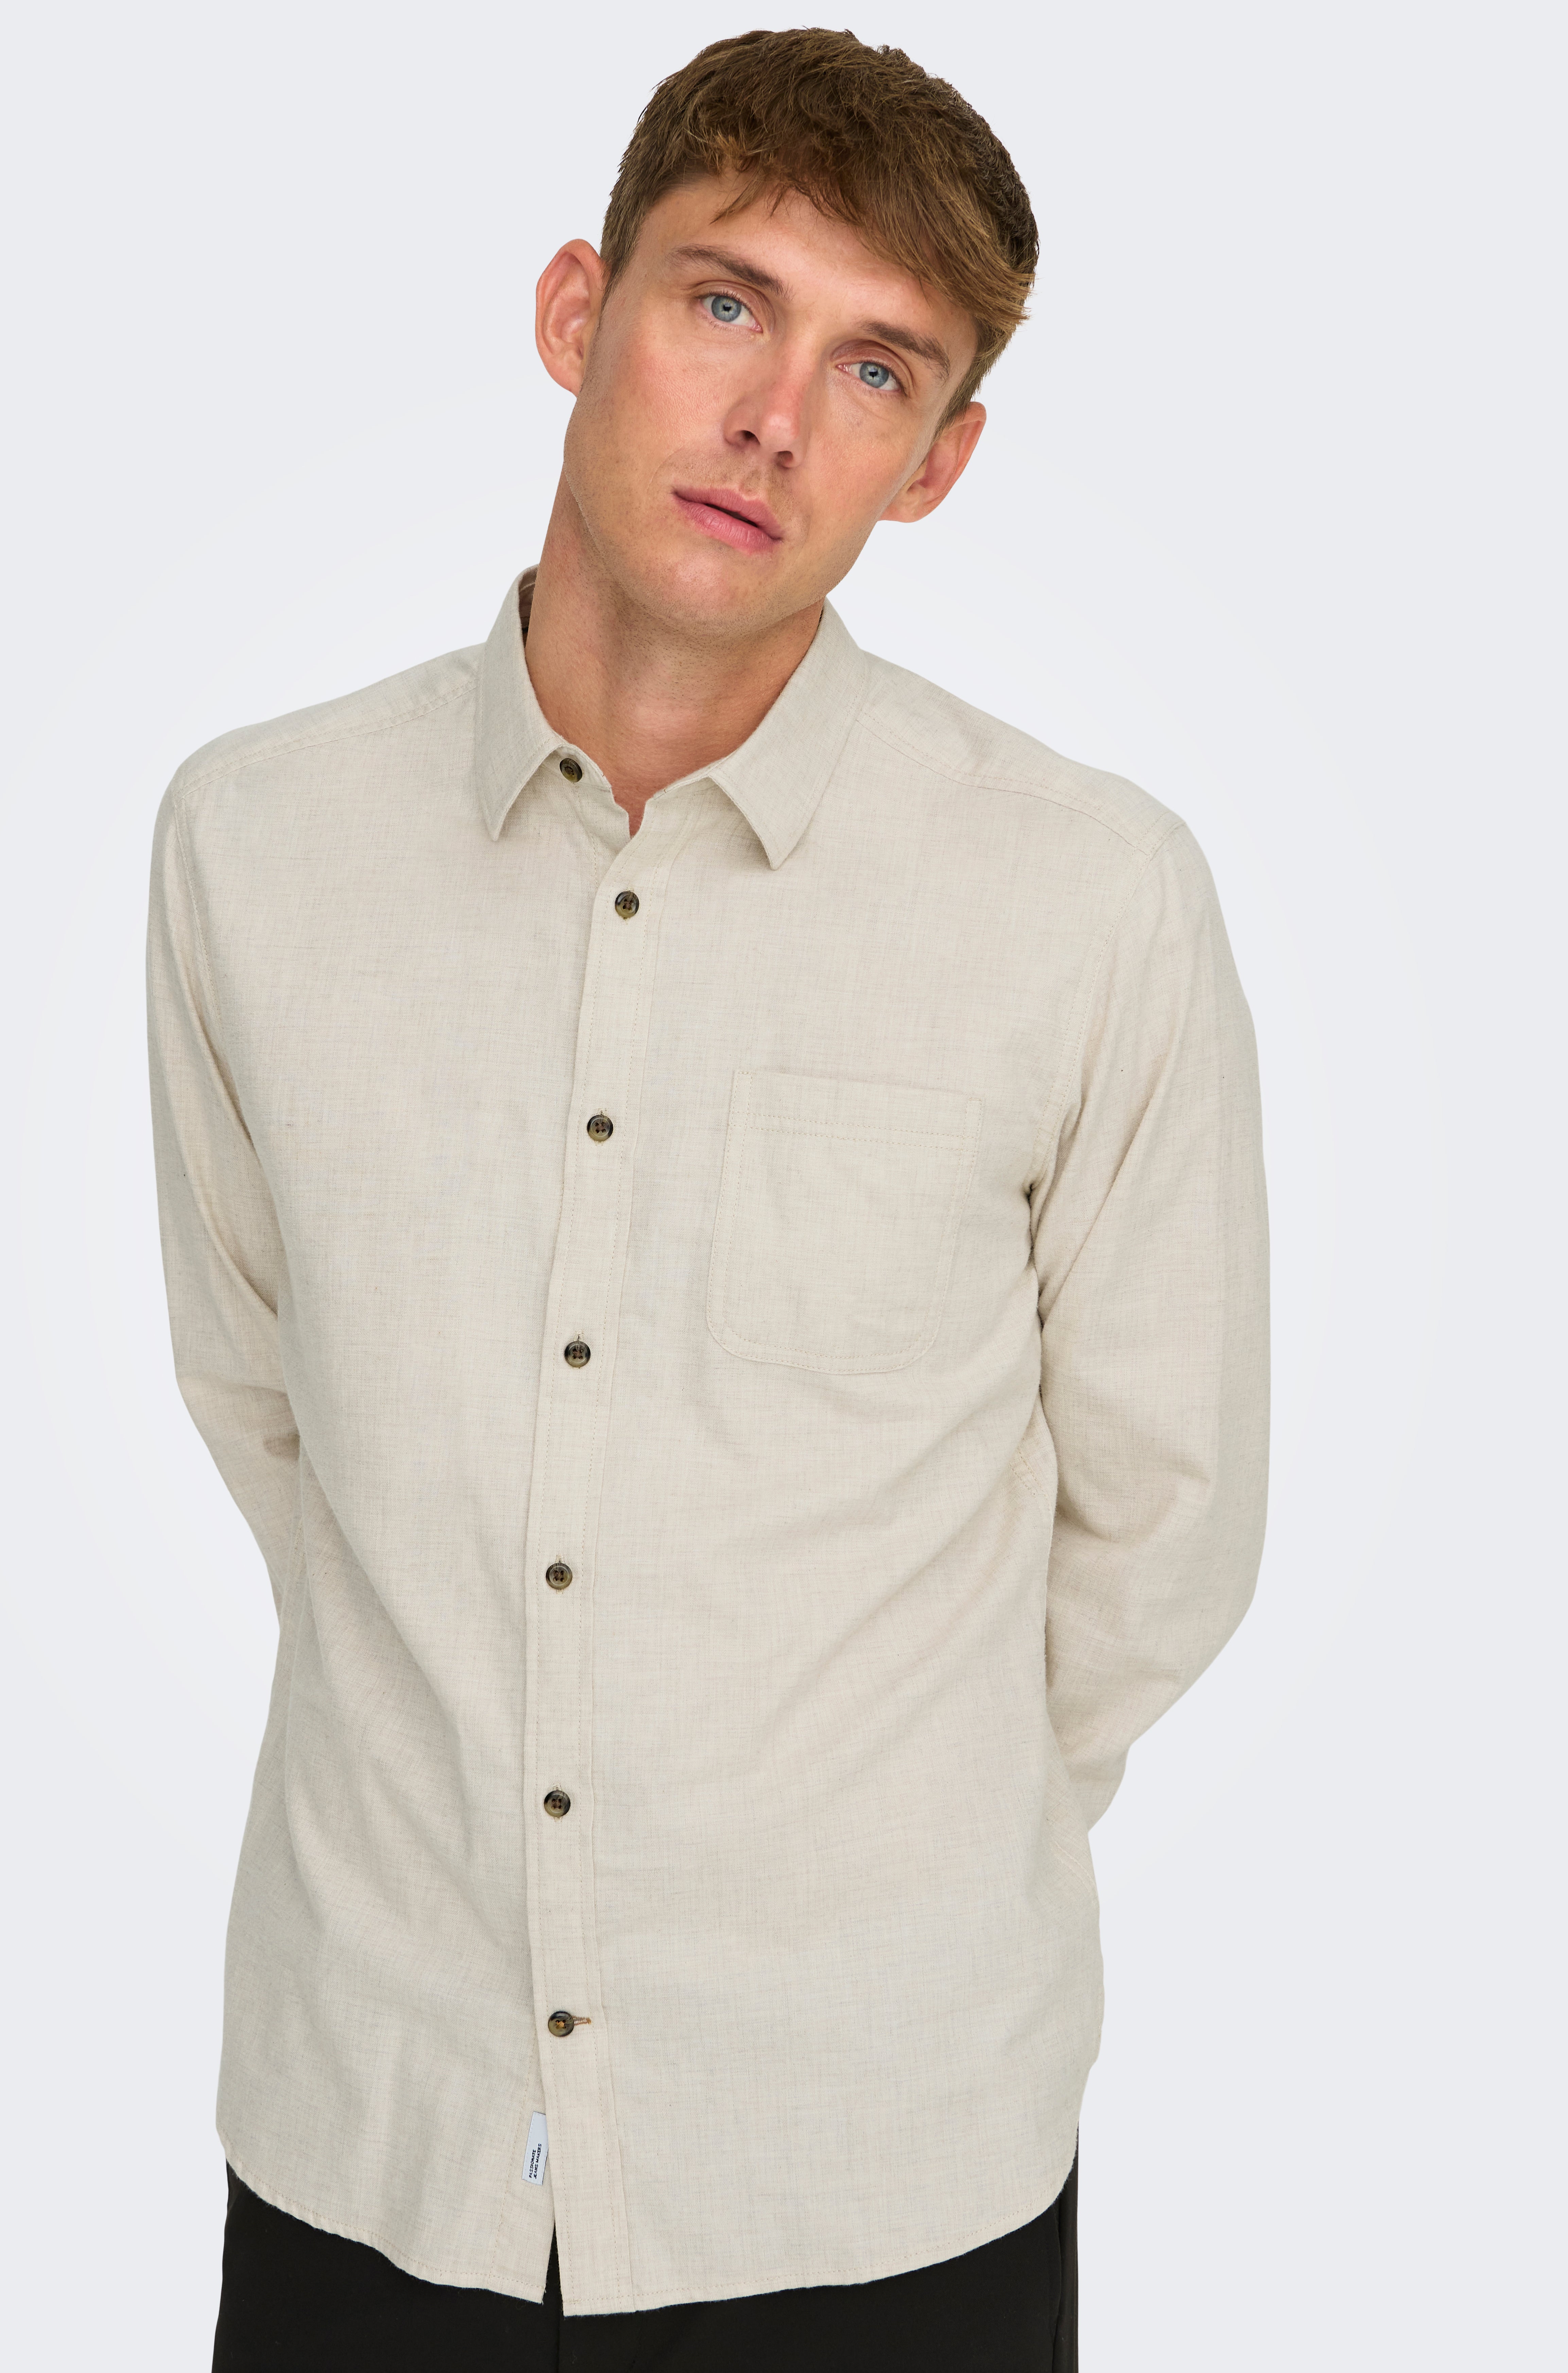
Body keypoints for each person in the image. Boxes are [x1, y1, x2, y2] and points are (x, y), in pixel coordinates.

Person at [147, 28, 1270, 2370]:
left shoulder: (1086, 902)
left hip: (877, 2166)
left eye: (875, 367)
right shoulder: (254, 845)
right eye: (726, 301)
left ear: (938, 462)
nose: (773, 418)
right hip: (374, 2135)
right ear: (582, 312)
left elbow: (1164, 1526)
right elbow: (268, 1398)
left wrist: (877, 1838)